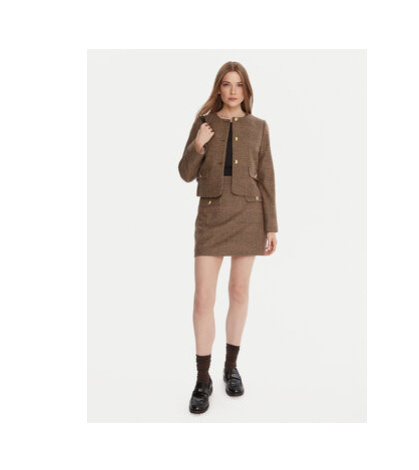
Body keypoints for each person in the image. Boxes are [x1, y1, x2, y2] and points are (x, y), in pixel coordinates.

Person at [178, 61, 279, 414]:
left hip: (249, 216)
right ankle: (202, 379)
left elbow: (267, 177)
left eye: (238, 85)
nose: (233, 90)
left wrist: (271, 226)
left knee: (238, 292)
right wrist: (198, 145)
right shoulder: (204, 123)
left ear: (246, 90)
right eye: (226, 84)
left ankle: (231, 368)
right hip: (211, 216)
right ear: (218, 89)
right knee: (203, 299)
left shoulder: (259, 127)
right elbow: (185, 173)